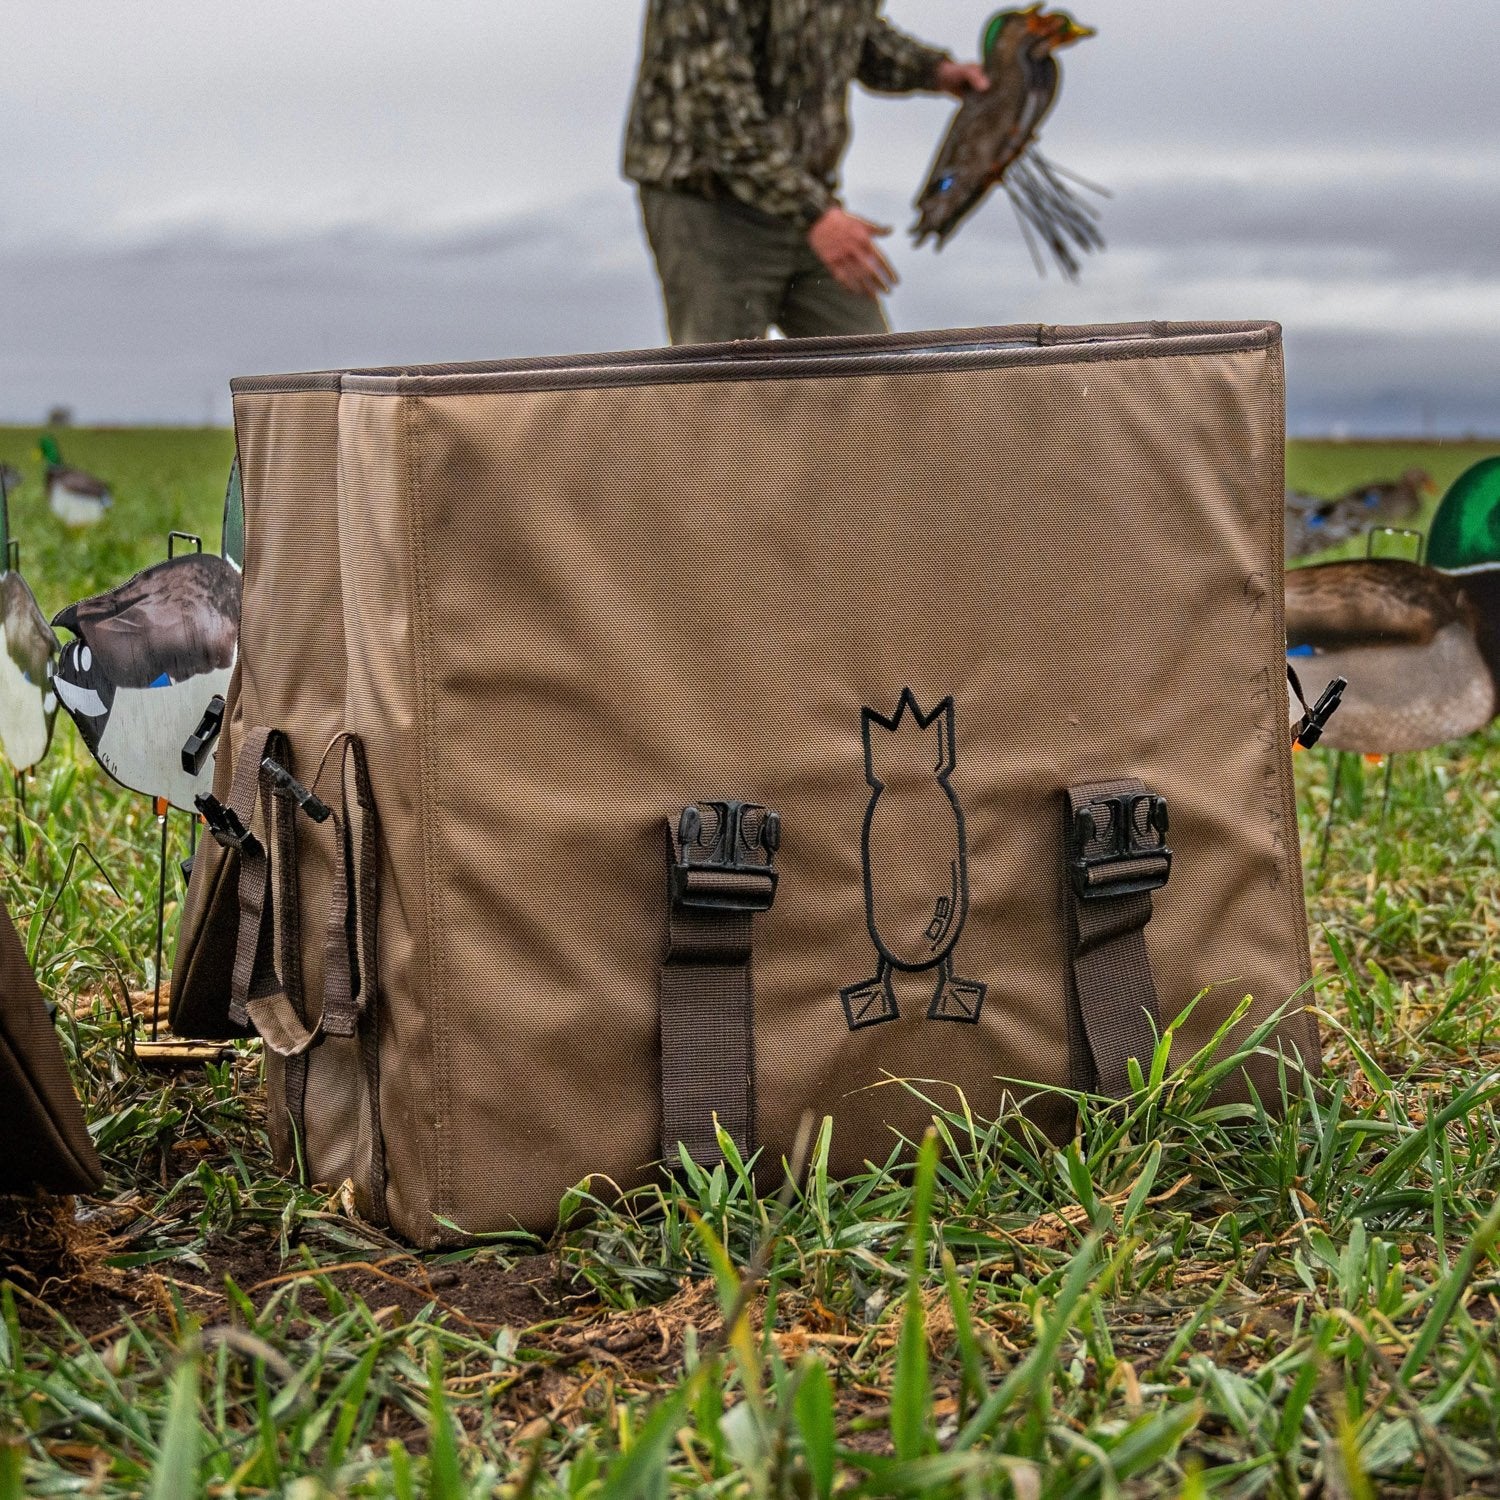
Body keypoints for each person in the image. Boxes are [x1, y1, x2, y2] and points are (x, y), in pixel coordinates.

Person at [623, 2, 988, 345]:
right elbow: (716, 111)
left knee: (873, 380)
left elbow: (854, 30)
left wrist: (936, 71)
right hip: (710, 209)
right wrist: (816, 215)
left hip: (808, 207)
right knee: (719, 389)